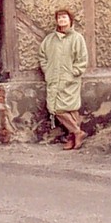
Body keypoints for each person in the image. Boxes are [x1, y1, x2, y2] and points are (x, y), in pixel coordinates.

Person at [38, 8, 89, 149]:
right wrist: (47, 70)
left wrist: (75, 72)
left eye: (64, 18)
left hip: (70, 79)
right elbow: (42, 56)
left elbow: (82, 58)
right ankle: (76, 133)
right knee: (56, 108)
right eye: (59, 18)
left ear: (70, 20)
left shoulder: (77, 38)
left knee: (71, 108)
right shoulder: (49, 39)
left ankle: (73, 136)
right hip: (54, 78)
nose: (61, 20)